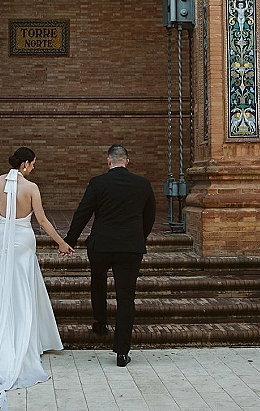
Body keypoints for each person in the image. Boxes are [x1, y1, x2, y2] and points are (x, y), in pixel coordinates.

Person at [0, 146, 73, 411]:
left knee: (3, 289)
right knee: (23, 290)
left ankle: (1, 343)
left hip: (2, 238)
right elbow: (42, 221)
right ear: (25, 164)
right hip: (23, 240)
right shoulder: (31, 188)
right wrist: (62, 243)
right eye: (33, 164)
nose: (34, 168)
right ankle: (25, 343)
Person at [63, 144, 156, 367]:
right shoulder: (142, 184)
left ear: (108, 161)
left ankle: (101, 322)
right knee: (126, 298)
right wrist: (138, 238)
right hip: (130, 248)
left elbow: (83, 212)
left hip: (101, 245)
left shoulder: (98, 183)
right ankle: (122, 352)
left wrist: (70, 240)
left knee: (98, 281)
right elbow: (150, 216)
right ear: (127, 161)